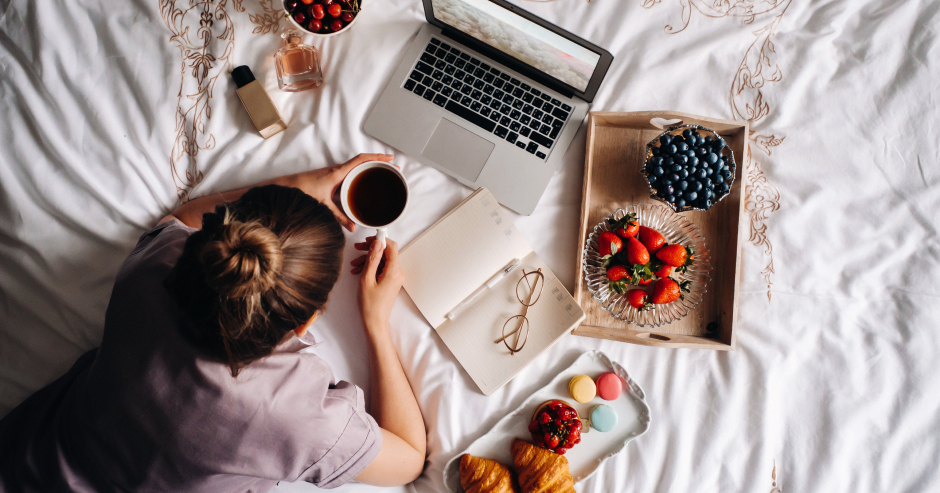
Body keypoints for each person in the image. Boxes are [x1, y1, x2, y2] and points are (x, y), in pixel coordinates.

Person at [0, 154, 426, 492]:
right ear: (305, 322)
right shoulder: (297, 415)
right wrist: (375, 322)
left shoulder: (151, 271)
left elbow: (182, 219)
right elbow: (408, 460)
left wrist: (294, 188)